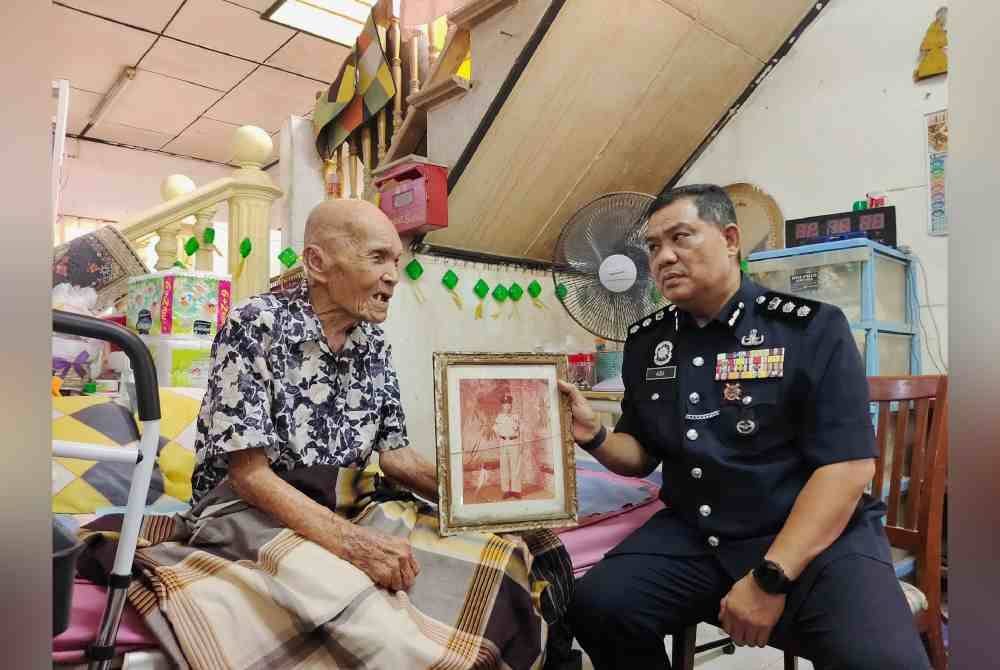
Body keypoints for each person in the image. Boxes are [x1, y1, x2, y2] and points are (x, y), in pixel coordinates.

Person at [191, 199, 577, 668]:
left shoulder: (372, 342)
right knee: (373, 611)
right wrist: (353, 545)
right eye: (378, 258)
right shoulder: (256, 325)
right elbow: (249, 476)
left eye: (397, 260)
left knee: (515, 550)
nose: (394, 274)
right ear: (317, 263)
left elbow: (396, 459)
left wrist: (498, 497)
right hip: (254, 508)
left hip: (348, 502)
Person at [558, 184, 931, 669]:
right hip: (697, 535)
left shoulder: (809, 329)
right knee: (597, 607)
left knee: (885, 662)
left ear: (730, 239)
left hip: (811, 537)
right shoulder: (649, 343)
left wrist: (769, 580)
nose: (664, 257)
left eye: (681, 237)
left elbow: (845, 469)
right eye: (653, 247)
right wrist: (595, 436)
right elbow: (642, 453)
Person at [495, 393, 524, 498]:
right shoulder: (499, 417)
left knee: (515, 466)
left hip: (514, 442)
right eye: (504, 404)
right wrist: (500, 439)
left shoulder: (516, 417)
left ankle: (516, 491)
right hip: (503, 442)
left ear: (511, 405)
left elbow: (522, 431)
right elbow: (496, 430)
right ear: (502, 406)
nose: (507, 406)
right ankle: (506, 490)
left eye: (508, 404)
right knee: (504, 467)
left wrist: (521, 443)